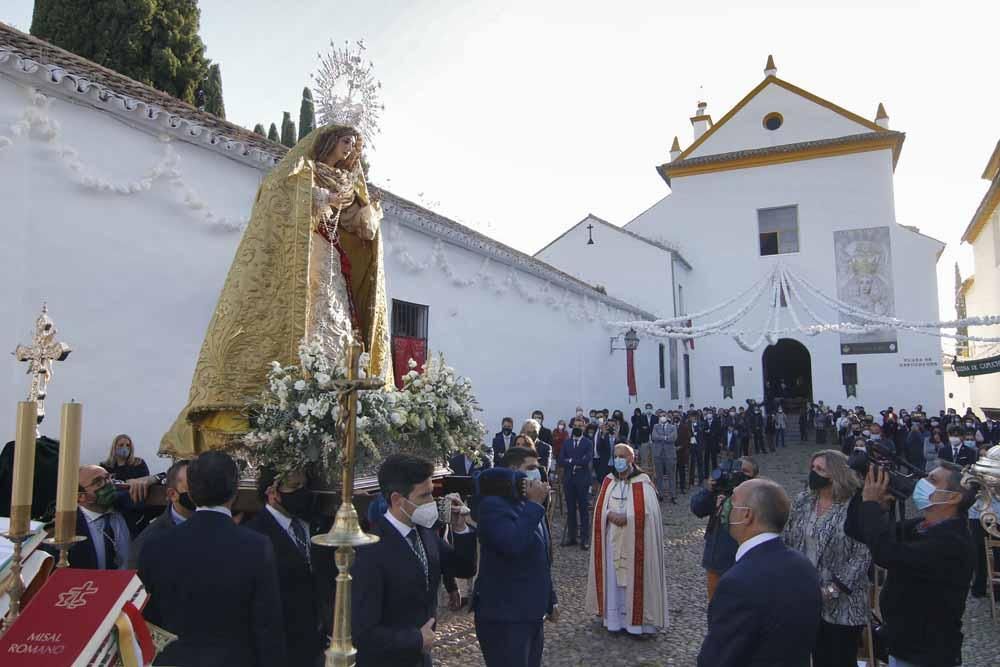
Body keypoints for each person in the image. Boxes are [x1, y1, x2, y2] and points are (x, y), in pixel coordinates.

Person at [162, 124, 392, 458]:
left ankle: (335, 394)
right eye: (345, 141)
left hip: (331, 260)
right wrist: (320, 200)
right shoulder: (300, 173)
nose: (349, 149)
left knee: (336, 321)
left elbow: (358, 226)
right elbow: (280, 200)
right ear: (329, 141)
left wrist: (367, 216)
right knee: (306, 315)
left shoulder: (348, 183)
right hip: (305, 254)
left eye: (354, 144)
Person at [138, 451, 286, 666]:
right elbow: (267, 625)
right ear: (235, 491)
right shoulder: (256, 546)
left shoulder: (155, 545)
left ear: (193, 492)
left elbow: (147, 620)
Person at [846, 463, 977, 667]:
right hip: (902, 644)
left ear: (953, 497)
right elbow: (858, 531)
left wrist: (871, 505)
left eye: (932, 480)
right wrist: (864, 495)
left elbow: (886, 554)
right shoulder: (921, 526)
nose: (923, 483)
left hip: (927, 652)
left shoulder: (953, 541)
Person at [352, 454, 477, 667]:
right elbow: (362, 631)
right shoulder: (371, 549)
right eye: (424, 496)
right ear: (397, 500)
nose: (432, 502)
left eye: (432, 494)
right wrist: (415, 639)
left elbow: (464, 568)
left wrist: (460, 528)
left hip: (421, 658)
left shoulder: (424, 532)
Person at [697, 478, 821, 667]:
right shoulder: (804, 565)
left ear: (747, 516)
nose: (726, 506)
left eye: (733, 501)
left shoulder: (737, 582)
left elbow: (717, 658)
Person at [784, 451, 871, 667]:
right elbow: (789, 535)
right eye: (813, 468)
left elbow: (863, 553)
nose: (814, 473)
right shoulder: (804, 499)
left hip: (844, 603)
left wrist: (833, 589)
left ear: (836, 473)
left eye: (820, 469)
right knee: (816, 657)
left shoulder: (855, 505)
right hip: (807, 596)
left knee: (839, 660)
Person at [473, 447, 556, 667]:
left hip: (531, 613)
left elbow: (543, 557)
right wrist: (534, 505)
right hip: (505, 617)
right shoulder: (493, 506)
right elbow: (512, 544)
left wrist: (550, 598)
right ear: (512, 471)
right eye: (529, 469)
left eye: (537, 469)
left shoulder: (528, 503)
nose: (536, 474)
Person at [246, 467, 332, 667]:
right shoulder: (255, 536)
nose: (302, 493)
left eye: (304, 486)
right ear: (272, 493)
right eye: (294, 487)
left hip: (320, 644)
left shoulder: (317, 523)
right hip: (281, 648)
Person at [585, 444, 668, 635]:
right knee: (613, 580)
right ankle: (613, 621)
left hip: (635, 541)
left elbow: (651, 513)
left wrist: (628, 517)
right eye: (615, 456)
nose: (618, 460)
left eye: (622, 456)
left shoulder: (643, 482)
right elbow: (599, 508)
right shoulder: (608, 481)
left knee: (635, 579)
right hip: (612, 538)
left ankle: (637, 625)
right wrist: (607, 514)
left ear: (632, 459)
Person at [690, 458, 758, 599]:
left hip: (741, 563)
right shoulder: (721, 489)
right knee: (715, 606)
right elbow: (697, 509)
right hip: (716, 560)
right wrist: (709, 490)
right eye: (737, 470)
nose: (739, 474)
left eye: (745, 471)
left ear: (754, 478)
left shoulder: (757, 497)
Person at [128, 459, 194, 569]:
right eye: (193, 487)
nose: (202, 491)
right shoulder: (150, 541)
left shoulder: (218, 523)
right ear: (172, 494)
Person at [67, 464, 136, 569]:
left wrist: (150, 479)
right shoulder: (69, 528)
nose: (108, 483)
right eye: (98, 482)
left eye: (108, 477)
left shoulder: (126, 506)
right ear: (81, 496)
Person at [558, 417, 593, 549]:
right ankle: (572, 536)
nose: (578, 427)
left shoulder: (588, 443)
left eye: (581, 425)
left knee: (584, 509)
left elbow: (586, 460)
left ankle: (585, 539)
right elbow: (561, 459)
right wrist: (575, 461)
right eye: (576, 425)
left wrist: (571, 461)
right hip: (569, 480)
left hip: (583, 480)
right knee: (571, 509)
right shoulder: (566, 443)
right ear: (572, 426)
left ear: (584, 427)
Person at [649, 411, 677, 502]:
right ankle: (660, 494)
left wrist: (662, 438)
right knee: (659, 475)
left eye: (664, 416)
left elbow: (673, 438)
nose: (662, 417)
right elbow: (654, 436)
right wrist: (665, 438)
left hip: (670, 454)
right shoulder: (655, 426)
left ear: (667, 417)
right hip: (658, 454)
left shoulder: (672, 427)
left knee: (671, 475)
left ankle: (673, 495)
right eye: (660, 416)